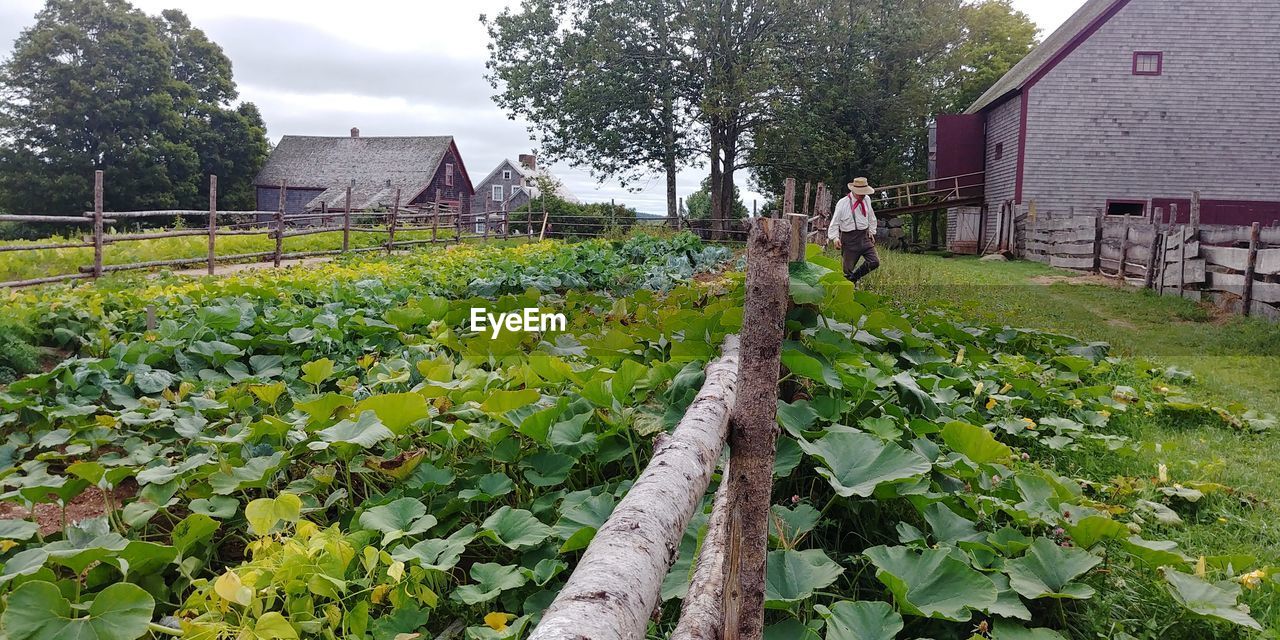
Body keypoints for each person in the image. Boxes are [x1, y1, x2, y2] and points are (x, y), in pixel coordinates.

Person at [828, 177, 880, 284]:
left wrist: (871, 232)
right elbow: (835, 222)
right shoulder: (842, 203)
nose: (863, 195)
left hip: (864, 236)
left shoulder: (867, 200)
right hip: (849, 238)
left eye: (864, 193)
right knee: (847, 270)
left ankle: (854, 278)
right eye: (861, 193)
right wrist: (835, 238)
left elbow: (871, 216)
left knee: (874, 261)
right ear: (853, 191)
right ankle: (848, 287)